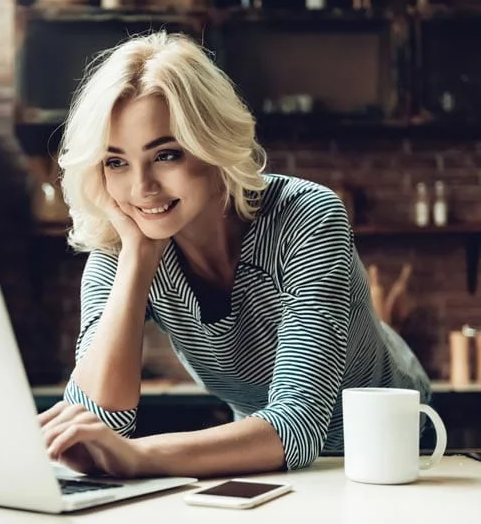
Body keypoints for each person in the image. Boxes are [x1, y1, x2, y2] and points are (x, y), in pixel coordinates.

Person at [37, 30, 431, 479]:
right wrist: (137, 260)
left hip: (393, 450)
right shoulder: (124, 241)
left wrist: (141, 456)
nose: (141, 188)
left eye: (165, 155)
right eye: (116, 162)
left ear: (213, 144)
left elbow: (299, 423)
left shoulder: (305, 218)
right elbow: (100, 418)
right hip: (266, 458)